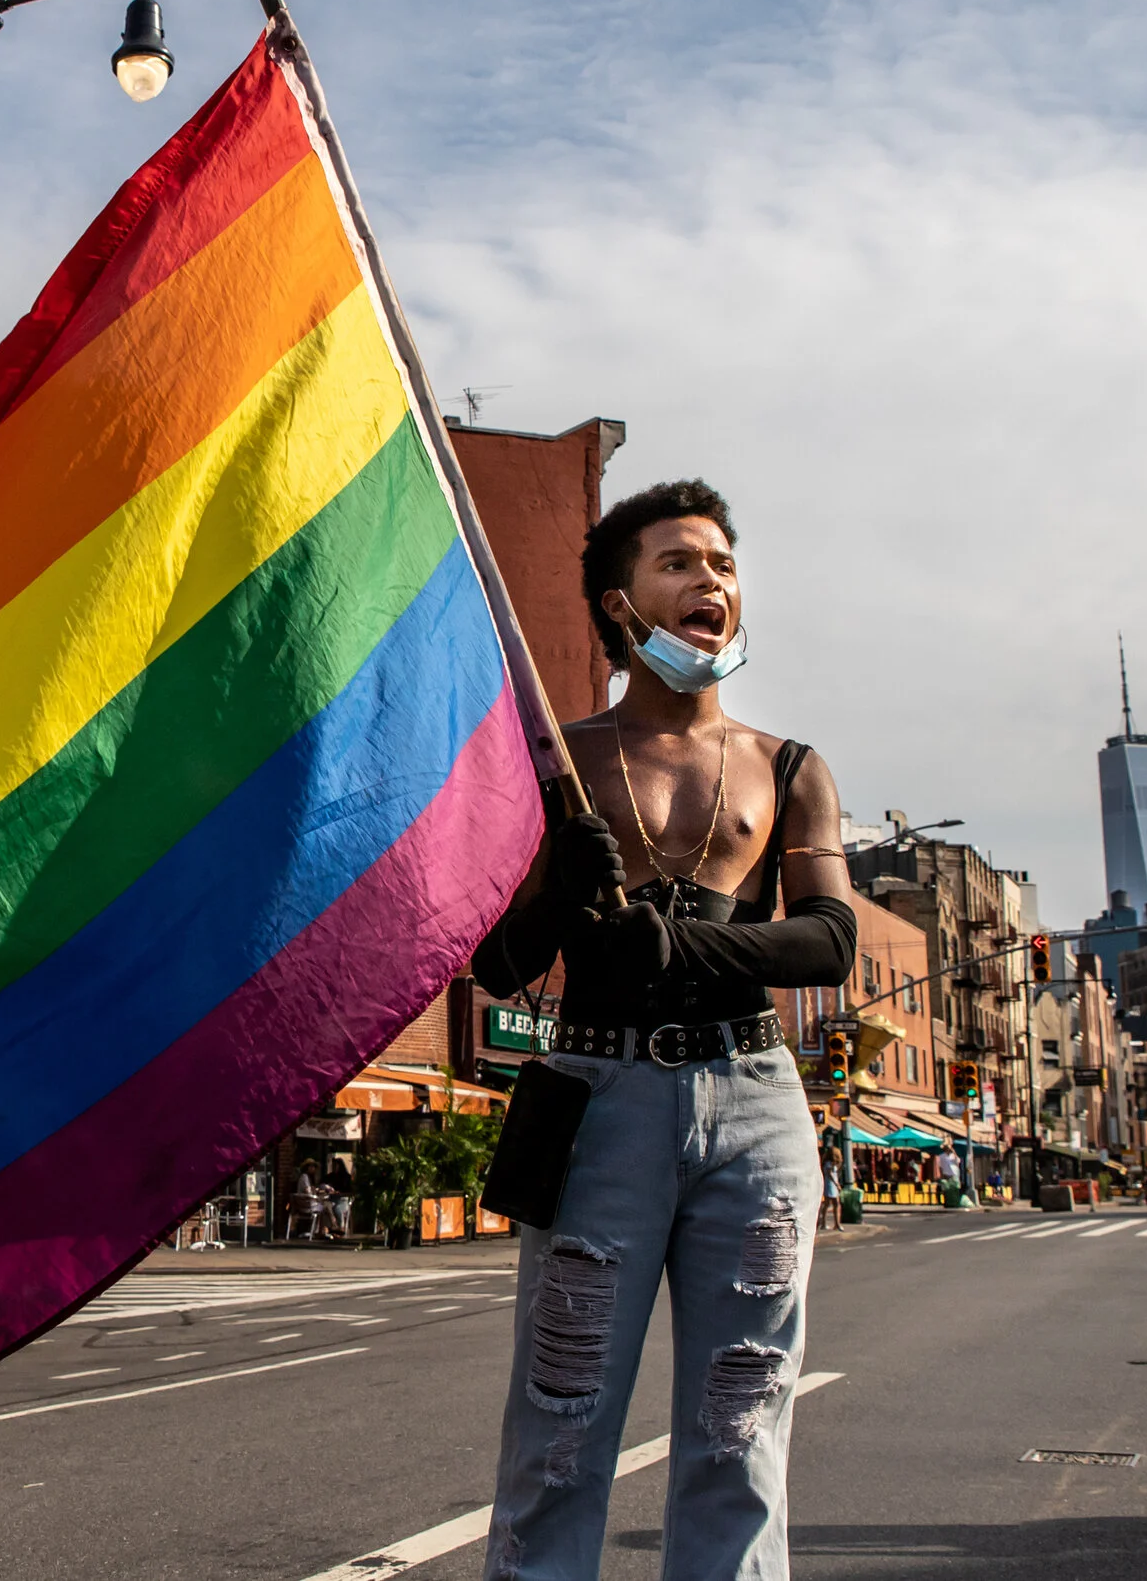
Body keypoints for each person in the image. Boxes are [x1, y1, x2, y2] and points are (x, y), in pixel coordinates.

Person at [470, 480, 858, 1580]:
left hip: (756, 1106)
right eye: (679, 563)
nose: (710, 582)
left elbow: (828, 939)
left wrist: (687, 947)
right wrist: (554, 894)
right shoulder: (555, 756)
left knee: (743, 1417)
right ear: (618, 601)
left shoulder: (789, 766)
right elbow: (492, 962)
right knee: (562, 1412)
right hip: (596, 1100)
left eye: (723, 565)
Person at [325, 1155, 356, 1238]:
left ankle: (341, 1226)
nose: (334, 1168)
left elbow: (350, 1191)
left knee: (337, 1208)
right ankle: (331, 1227)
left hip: (343, 1200)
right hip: (332, 1199)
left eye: (336, 1166)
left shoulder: (346, 1177)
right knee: (326, 1207)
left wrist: (340, 1193)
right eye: (333, 1166)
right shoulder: (329, 1177)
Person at [817, 1145, 842, 1231]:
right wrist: (837, 1184)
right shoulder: (828, 1164)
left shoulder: (831, 1163)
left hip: (832, 1184)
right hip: (830, 1184)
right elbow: (830, 1174)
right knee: (830, 1203)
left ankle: (835, 1223)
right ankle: (825, 1223)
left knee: (833, 1204)